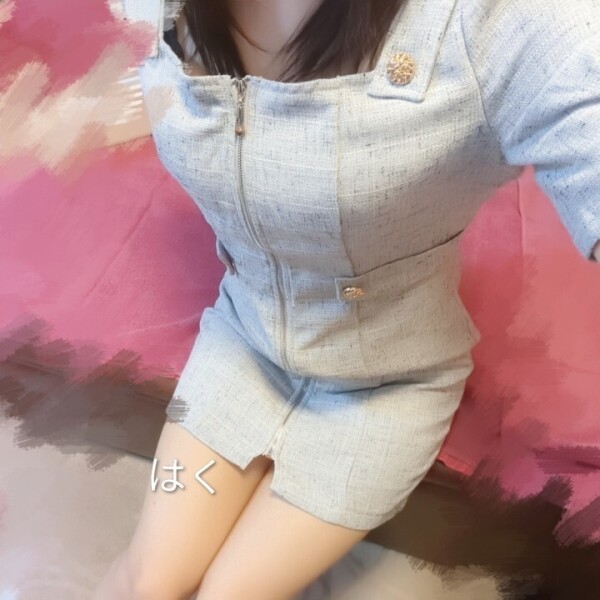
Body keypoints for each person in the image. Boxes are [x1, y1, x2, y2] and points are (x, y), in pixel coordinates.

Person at [94, 0, 600, 598]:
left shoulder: (502, 23)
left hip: (384, 389)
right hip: (239, 347)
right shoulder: (164, 12)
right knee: (144, 581)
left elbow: (574, 95)